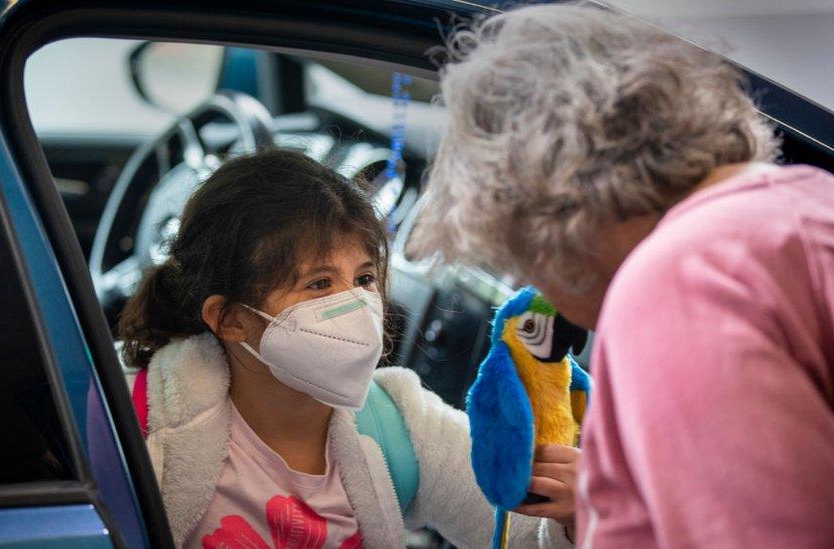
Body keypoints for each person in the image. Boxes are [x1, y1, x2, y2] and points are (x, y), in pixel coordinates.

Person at [409, 2, 834, 547]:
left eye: (524, 261)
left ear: (547, 210)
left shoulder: (677, 284)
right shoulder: (805, 201)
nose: (547, 295)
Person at [118, 149, 574, 548]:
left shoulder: (399, 424)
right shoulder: (134, 417)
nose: (355, 304)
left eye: (363, 279)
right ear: (231, 319)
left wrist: (576, 514)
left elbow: (524, 538)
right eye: (319, 284)